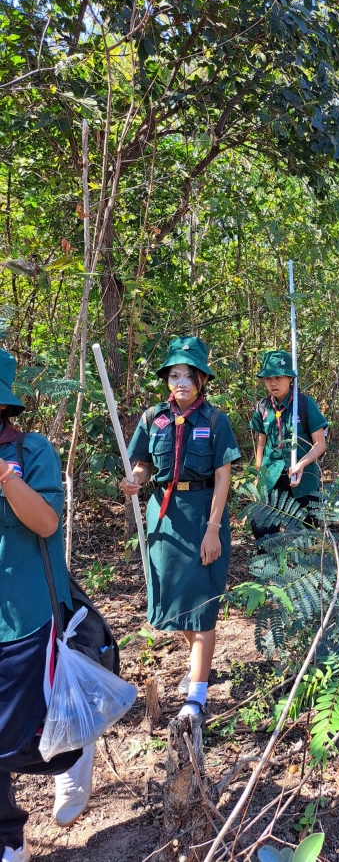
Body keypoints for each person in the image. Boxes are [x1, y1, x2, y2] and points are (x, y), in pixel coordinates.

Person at [0, 350, 95, 862]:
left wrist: (4, 476)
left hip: (26, 610)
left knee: (14, 737)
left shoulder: (32, 451)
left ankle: (70, 753)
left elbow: (46, 522)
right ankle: (8, 840)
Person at [122, 336, 241, 722]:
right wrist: (134, 480)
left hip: (203, 516)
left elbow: (223, 477)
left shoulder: (216, 420)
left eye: (190, 375)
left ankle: (196, 698)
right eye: (175, 374)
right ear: (167, 379)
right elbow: (141, 464)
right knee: (179, 604)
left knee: (202, 606)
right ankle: (198, 669)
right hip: (164, 517)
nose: (182, 382)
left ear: (202, 380)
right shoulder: (152, 418)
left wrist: (212, 528)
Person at [250, 350, 327, 539]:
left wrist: (301, 464)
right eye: (268, 378)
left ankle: (309, 567)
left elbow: (320, 444)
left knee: (308, 530)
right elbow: (261, 445)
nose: (272, 383)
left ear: (290, 378)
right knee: (261, 526)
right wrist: (258, 475)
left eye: (278, 377)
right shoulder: (263, 407)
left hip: (303, 476)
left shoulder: (304, 404)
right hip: (272, 476)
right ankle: (269, 564)